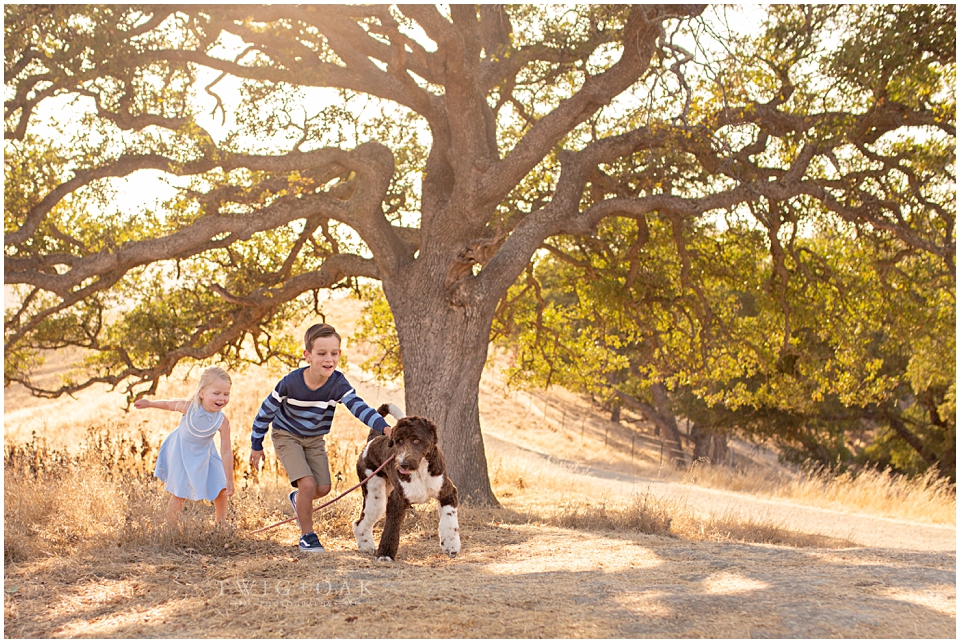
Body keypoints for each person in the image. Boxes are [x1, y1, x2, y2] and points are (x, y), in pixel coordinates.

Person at [249, 323, 391, 552]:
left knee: (322, 488)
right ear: (308, 355)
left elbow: (358, 407)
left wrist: (385, 428)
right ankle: (307, 537)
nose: (329, 359)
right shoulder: (291, 383)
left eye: (334, 353)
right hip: (287, 435)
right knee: (308, 483)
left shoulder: (337, 383)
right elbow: (265, 412)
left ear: (339, 354)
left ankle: (298, 500)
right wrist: (256, 445)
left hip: (314, 439)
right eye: (322, 353)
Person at [135, 366, 235, 527]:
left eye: (226, 394)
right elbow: (168, 404)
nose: (222, 398)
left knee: (221, 487)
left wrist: (230, 478)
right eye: (216, 393)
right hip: (181, 453)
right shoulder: (189, 408)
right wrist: (149, 403)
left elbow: (226, 451)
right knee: (180, 493)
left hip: (206, 455)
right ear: (202, 393)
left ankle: (221, 522)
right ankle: (170, 527)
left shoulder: (222, 421)